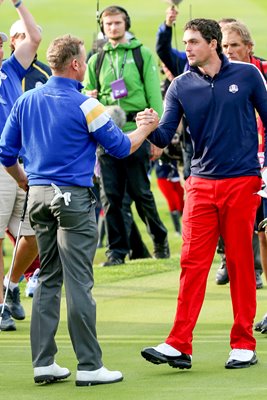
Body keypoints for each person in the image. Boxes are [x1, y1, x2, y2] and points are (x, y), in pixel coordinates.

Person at [0, 34, 159, 385]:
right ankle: (89, 365)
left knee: (47, 279)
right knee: (79, 283)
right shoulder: (86, 105)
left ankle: (44, 363)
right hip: (72, 199)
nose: (86, 65)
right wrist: (145, 129)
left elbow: (6, 153)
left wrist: (26, 181)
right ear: (75, 64)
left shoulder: (27, 99)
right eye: (84, 60)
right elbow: (119, 147)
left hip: (38, 197)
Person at [137, 18, 267, 370]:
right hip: (200, 183)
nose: (188, 47)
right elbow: (165, 136)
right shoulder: (180, 85)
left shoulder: (247, 75)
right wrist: (148, 127)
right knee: (192, 263)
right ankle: (179, 343)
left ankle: (243, 343)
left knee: (240, 262)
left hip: (242, 181)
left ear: (212, 43)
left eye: (194, 42)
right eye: (186, 42)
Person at [83, 5, 170, 266]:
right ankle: (116, 252)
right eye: (108, 24)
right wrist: (89, 96)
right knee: (110, 196)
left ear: (126, 24)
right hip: (106, 133)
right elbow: (87, 92)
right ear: (102, 27)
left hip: (138, 131)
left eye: (118, 23)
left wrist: (158, 137)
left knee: (140, 192)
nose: (113, 28)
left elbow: (156, 98)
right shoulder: (96, 58)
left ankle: (159, 238)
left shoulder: (141, 53)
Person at [216, 20, 267, 289]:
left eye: (234, 45)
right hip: (240, 161)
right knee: (252, 225)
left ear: (249, 47)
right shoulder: (219, 76)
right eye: (224, 46)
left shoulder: (264, 71)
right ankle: (249, 271)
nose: (229, 51)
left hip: (264, 157)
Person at [0, 0, 41, 331]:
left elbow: (35, 36)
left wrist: (18, 4)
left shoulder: (10, 70)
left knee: (33, 232)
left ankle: (10, 287)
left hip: (23, 163)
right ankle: (1, 307)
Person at [6, 18, 52, 298]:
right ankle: (14, 285)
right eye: (18, 36)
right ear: (13, 41)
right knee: (11, 226)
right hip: (8, 157)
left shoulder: (44, 72)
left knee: (30, 225)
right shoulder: (8, 70)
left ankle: (18, 280)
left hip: (31, 157)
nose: (25, 40)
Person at [156, 6, 193, 181]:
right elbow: (163, 50)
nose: (190, 47)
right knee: (191, 184)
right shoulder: (185, 60)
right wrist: (168, 25)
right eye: (187, 43)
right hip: (191, 140)